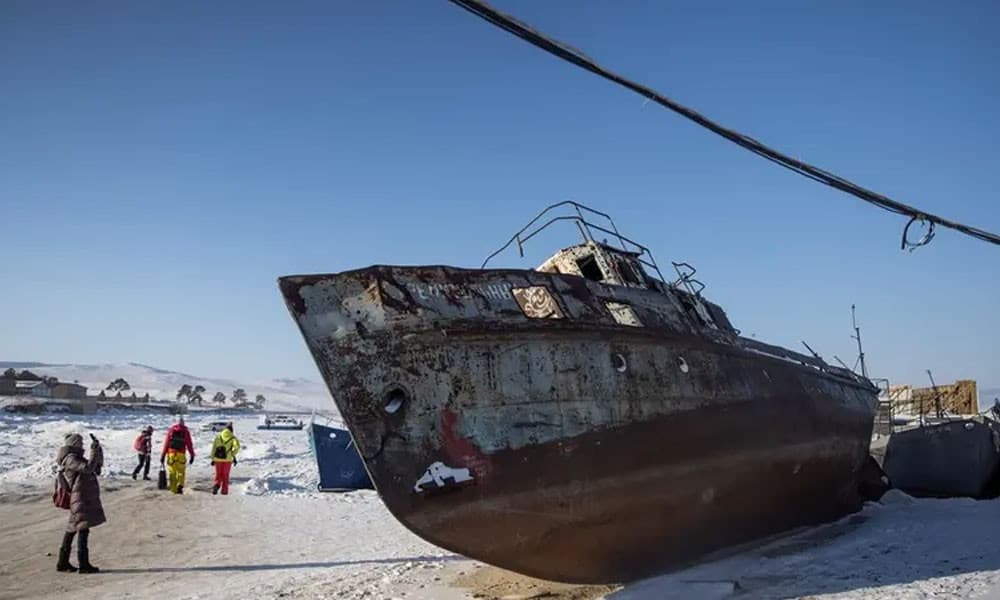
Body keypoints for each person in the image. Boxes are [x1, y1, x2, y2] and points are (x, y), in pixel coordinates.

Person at [55, 432, 105, 574]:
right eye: (80, 443)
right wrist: (93, 450)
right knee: (82, 529)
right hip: (80, 498)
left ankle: (63, 562)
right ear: (74, 443)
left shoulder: (76, 458)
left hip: (82, 498)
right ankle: (83, 564)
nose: (82, 445)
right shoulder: (70, 459)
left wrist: (98, 450)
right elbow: (88, 468)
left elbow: (96, 468)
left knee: (73, 529)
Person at [160, 416, 194, 494]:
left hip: (171, 454)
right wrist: (192, 455)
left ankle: (173, 489)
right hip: (181, 454)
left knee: (172, 472)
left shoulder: (171, 430)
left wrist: (163, 456)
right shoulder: (185, 431)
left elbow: (166, 443)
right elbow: (189, 444)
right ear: (183, 423)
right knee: (181, 471)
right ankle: (180, 485)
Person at [210, 422, 241, 495]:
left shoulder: (218, 437)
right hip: (228, 459)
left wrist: (213, 458)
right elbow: (237, 447)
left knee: (218, 474)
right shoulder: (233, 438)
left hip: (217, 459)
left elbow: (213, 448)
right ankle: (224, 491)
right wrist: (232, 454)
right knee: (225, 475)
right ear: (231, 430)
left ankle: (217, 484)